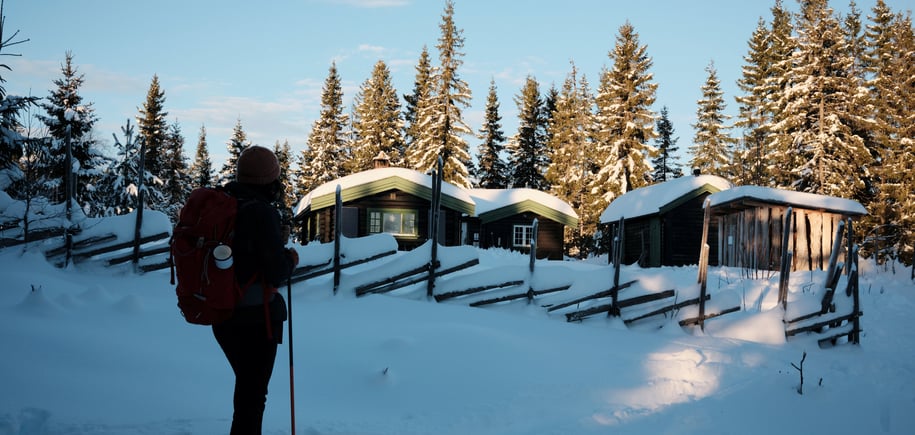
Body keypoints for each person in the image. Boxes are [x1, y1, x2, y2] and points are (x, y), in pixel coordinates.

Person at [213, 145, 299, 435]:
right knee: (252, 399)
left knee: (247, 393)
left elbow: (245, 253)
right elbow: (275, 272)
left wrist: (273, 242)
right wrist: (290, 259)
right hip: (255, 320)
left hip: (223, 315)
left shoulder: (226, 203)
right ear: (268, 180)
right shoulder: (262, 212)